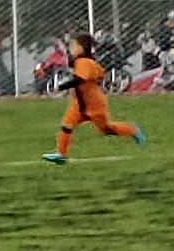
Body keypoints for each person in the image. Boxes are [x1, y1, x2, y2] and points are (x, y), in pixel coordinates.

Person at [42, 33, 144, 164]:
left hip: (94, 104)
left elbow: (79, 79)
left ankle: (132, 129)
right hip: (79, 105)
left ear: (82, 48)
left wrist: (62, 87)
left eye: (74, 46)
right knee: (67, 125)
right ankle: (61, 155)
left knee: (106, 129)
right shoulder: (82, 61)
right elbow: (98, 72)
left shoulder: (84, 62)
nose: (71, 48)